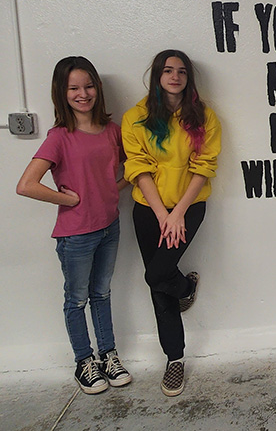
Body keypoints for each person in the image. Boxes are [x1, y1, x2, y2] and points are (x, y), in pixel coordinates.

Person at [16, 56, 132, 394]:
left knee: (102, 293)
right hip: (76, 234)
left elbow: (133, 166)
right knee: (77, 299)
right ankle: (84, 361)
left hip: (110, 225)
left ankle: (108, 355)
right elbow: (26, 185)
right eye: (74, 88)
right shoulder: (59, 136)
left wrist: (114, 189)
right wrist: (68, 200)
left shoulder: (113, 131)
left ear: (97, 88)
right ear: (62, 93)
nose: (83, 93)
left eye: (88, 86)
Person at [121, 49, 221, 397]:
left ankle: (185, 289)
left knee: (156, 275)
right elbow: (137, 167)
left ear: (188, 77)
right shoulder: (135, 117)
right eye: (167, 70)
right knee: (159, 283)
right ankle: (175, 358)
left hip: (189, 206)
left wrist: (177, 212)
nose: (174, 76)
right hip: (148, 210)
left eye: (181, 71)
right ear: (157, 76)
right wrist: (162, 214)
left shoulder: (204, 117)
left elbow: (204, 165)